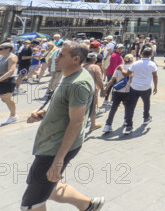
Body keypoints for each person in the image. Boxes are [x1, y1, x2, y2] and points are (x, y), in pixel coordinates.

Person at [21, 41, 104, 211]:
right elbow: (66, 110)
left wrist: (58, 160)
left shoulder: (77, 83)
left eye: (60, 55)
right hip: (51, 144)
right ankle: (88, 205)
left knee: (30, 204)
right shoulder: (70, 76)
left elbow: (77, 122)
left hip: (55, 148)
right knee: (48, 188)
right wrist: (43, 115)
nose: (55, 58)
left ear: (75, 59)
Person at [120, 46, 158, 134]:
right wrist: (156, 86)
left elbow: (126, 74)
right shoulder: (152, 64)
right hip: (146, 87)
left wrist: (121, 68)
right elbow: (155, 76)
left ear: (142, 54)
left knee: (131, 106)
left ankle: (129, 126)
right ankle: (146, 117)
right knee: (146, 103)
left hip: (134, 87)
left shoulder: (135, 63)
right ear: (151, 55)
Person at [102, 54, 134, 134]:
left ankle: (107, 125)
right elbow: (132, 80)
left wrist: (105, 90)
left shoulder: (119, 67)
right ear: (132, 60)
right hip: (127, 91)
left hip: (116, 91)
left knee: (113, 108)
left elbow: (112, 79)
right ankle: (126, 122)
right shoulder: (132, 68)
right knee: (127, 107)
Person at [0, 42, 19, 125]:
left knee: (6, 99)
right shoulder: (0, 57)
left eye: (0, 49)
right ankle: (13, 116)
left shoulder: (12, 57)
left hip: (6, 81)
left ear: (8, 49)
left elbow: (11, 71)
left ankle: (13, 116)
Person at [82, 53, 105, 132]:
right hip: (92, 90)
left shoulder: (80, 66)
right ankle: (93, 124)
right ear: (94, 60)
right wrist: (102, 90)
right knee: (93, 107)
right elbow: (99, 80)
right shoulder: (95, 67)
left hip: (80, 90)